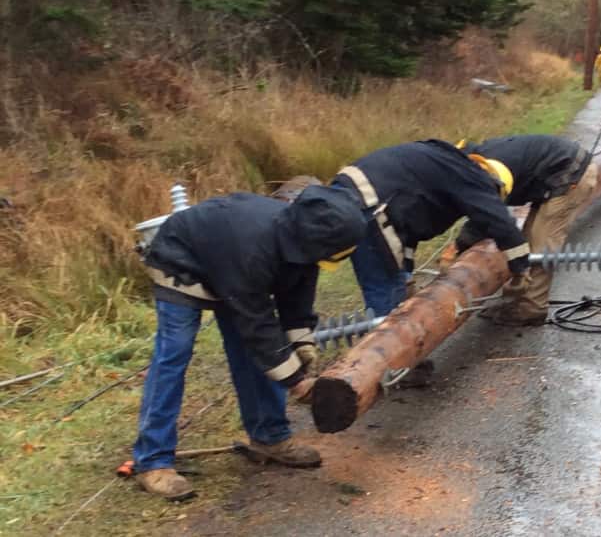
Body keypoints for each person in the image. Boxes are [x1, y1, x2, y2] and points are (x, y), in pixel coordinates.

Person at [133, 185, 367, 500]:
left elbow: (296, 300)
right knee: (174, 353)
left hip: (230, 270)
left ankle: (270, 438)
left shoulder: (304, 246)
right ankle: (153, 461)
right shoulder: (256, 249)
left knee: (259, 351)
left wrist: (302, 344)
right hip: (182, 260)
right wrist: (297, 381)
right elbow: (257, 324)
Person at [330, 139, 530, 318]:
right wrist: (521, 269)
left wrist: (406, 273)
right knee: (386, 289)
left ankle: (393, 346)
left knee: (387, 283)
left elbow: (407, 229)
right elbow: (500, 221)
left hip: (346, 195)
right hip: (368, 203)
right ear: (493, 184)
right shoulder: (473, 177)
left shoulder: (444, 168)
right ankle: (389, 354)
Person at [452, 134, 597, 326]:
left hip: (570, 176)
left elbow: (490, 216)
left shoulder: (489, 169)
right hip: (551, 177)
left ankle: (532, 309)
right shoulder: (480, 162)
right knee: (526, 242)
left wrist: (460, 246)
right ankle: (514, 301)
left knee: (542, 245)